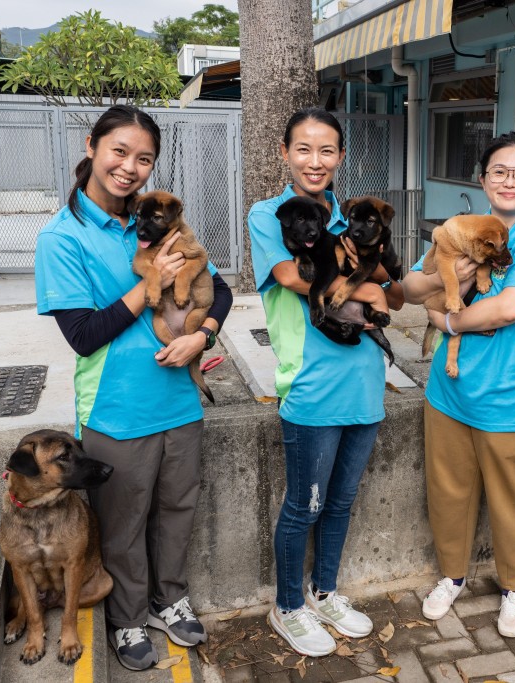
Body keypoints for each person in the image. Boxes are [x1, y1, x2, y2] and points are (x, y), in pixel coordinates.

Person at [35, 105, 233, 671]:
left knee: (177, 510)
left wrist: (205, 337)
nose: (129, 167)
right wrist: (151, 285)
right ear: (92, 146)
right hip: (115, 411)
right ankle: (125, 618)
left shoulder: (157, 219)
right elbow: (84, 335)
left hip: (178, 400)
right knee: (120, 525)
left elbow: (217, 292)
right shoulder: (62, 237)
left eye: (143, 158)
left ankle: (169, 601)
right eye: (119, 151)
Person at [247, 107, 405, 657]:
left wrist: (383, 285)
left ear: (341, 156)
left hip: (365, 381)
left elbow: (393, 280)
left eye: (327, 151)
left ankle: (324, 592)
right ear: (285, 153)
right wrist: (374, 291)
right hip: (311, 387)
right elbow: (295, 277)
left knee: (340, 502)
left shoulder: (354, 216)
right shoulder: (271, 215)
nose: (316, 161)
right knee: (304, 505)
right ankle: (287, 605)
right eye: (304, 149)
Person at [403, 132, 515, 638]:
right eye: (499, 171)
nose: (509, 180)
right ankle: (452, 576)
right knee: (447, 492)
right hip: (448, 392)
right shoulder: (458, 230)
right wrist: (443, 284)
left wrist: (447, 321)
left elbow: (510, 308)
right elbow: (409, 289)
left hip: (510, 394)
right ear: (483, 179)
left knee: (513, 498)